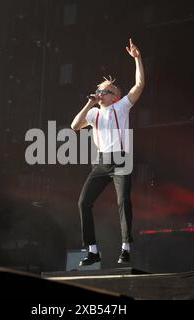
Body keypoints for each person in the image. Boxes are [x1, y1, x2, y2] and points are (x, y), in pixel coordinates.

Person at [71, 39, 145, 266]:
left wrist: (137, 58)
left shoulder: (121, 106)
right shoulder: (94, 113)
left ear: (114, 95)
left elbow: (139, 84)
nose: (99, 92)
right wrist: (89, 104)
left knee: (123, 201)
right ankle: (93, 250)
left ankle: (125, 247)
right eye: (98, 90)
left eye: (104, 90)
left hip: (121, 159)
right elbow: (75, 126)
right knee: (83, 202)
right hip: (102, 162)